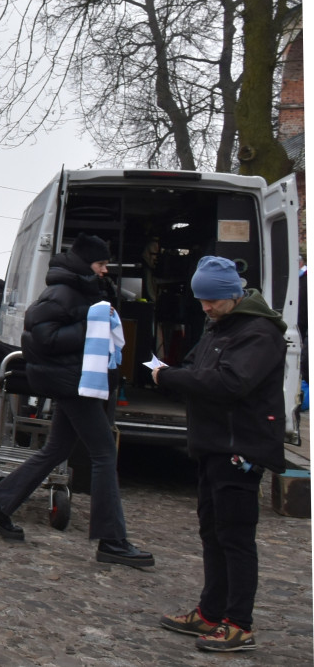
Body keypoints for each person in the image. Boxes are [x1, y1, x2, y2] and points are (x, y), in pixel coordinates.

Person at [0, 233, 154, 568]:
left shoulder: (79, 291)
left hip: (74, 381)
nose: (104, 271)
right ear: (88, 264)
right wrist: (91, 327)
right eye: (101, 264)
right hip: (72, 384)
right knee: (103, 453)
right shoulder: (63, 292)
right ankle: (112, 540)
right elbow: (39, 337)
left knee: (56, 450)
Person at [153, 256, 286, 652]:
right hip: (213, 444)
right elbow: (198, 367)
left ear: (233, 294)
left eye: (212, 300)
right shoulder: (219, 326)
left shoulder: (259, 333)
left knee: (236, 538)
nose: (206, 307)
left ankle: (239, 624)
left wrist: (170, 377)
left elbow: (231, 383)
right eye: (201, 300)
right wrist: (176, 372)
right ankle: (211, 613)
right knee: (212, 532)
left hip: (240, 447)